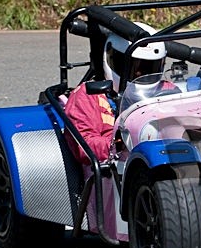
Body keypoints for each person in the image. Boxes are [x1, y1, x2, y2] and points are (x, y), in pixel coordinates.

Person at [64, 21, 166, 165]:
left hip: (166, 163)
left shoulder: (167, 90)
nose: (140, 73)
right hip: (113, 173)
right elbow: (83, 145)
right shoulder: (87, 95)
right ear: (113, 60)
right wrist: (119, 145)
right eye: (134, 68)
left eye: (148, 68)